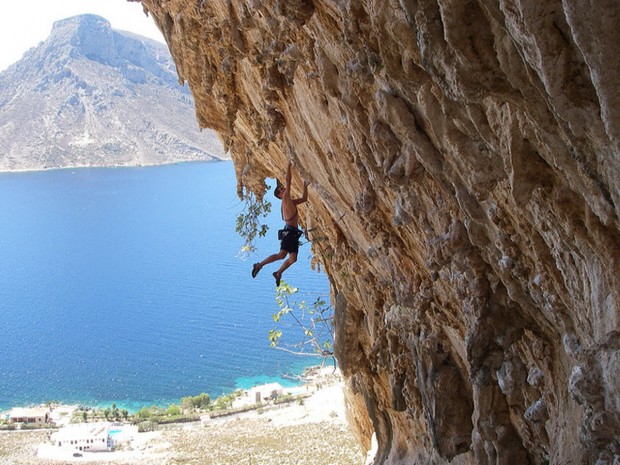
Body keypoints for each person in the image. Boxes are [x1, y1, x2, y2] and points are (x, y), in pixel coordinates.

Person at [252, 161, 308, 286]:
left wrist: (305, 185)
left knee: (293, 259)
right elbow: (288, 180)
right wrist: (289, 164)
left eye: (283, 188)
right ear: (280, 195)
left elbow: (304, 199)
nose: (284, 189)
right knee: (281, 255)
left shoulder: (291, 202)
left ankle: (278, 273)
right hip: (289, 233)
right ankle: (259, 265)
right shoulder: (286, 199)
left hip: (292, 234)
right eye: (282, 189)